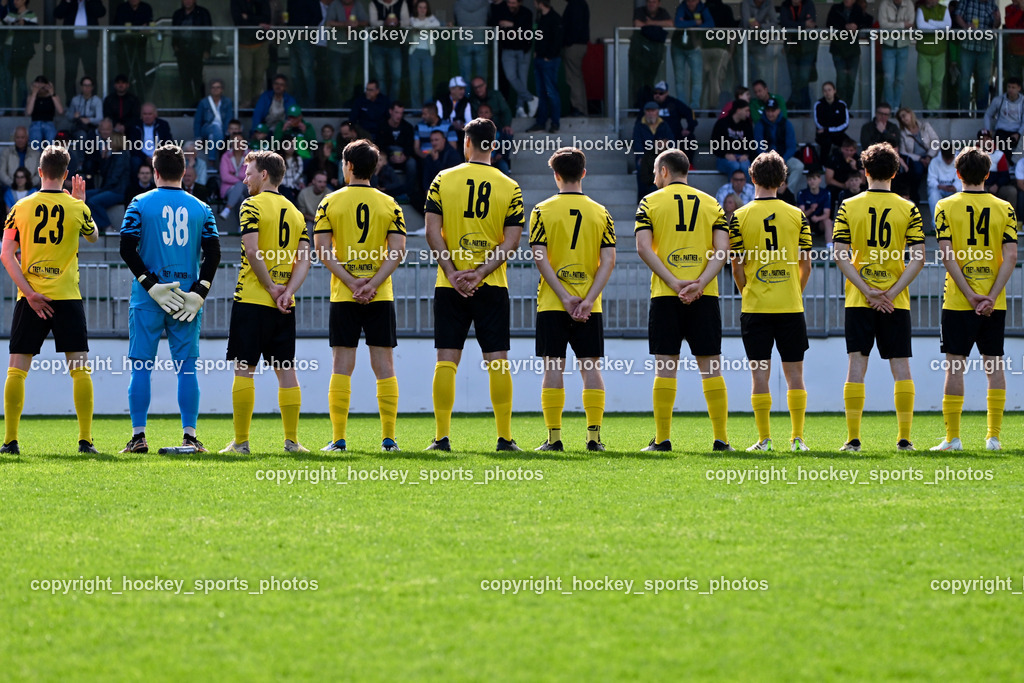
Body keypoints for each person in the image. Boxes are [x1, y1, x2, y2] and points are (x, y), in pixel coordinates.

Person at [423, 118, 525, 452]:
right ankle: (505, 438)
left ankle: (441, 438)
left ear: (466, 143)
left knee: (446, 360)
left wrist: (454, 273)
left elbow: (431, 232)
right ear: (493, 145)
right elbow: (511, 242)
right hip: (492, 283)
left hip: (449, 283)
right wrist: (480, 273)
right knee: (497, 360)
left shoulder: (442, 179)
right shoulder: (510, 186)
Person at [118, 145, 220, 454]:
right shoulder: (202, 208)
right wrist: (199, 293)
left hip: (148, 297)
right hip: (185, 298)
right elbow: (214, 253)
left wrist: (150, 285)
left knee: (141, 368)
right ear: (185, 172)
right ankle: (190, 437)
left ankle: (138, 438)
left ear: (156, 171)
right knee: (187, 368)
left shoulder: (139, 202)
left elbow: (126, 248)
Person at [1, 146, 98, 455]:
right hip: (67, 296)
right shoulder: (76, 207)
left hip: (30, 297)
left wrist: (29, 293)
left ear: (39, 172)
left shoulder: (20, 206)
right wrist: (82, 204)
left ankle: (10, 442)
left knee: (17, 370)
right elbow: (93, 236)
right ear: (66, 175)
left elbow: (6, 254)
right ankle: (85, 441)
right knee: (80, 370)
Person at [635, 148, 732, 452]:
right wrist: (701, 282)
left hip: (667, 294)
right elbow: (722, 251)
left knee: (665, 366)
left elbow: (643, 248)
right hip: (705, 295)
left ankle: (662, 439)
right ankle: (721, 439)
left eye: (655, 172)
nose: (654, 178)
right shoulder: (712, 203)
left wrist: (675, 282)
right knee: (712, 367)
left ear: (664, 170)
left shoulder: (649, 202)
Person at [313, 140, 406, 452]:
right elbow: (397, 252)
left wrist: (352, 283)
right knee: (385, 365)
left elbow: (322, 250)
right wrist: (373, 283)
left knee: (341, 365)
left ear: (349, 166)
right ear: (375, 167)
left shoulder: (329, 202)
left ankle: (339, 439)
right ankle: (389, 439)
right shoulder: (391, 204)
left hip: (344, 295)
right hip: (380, 295)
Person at [832, 142, 925, 452]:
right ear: (896, 172)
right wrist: (891, 293)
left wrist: (867, 290)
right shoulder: (908, 208)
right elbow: (919, 257)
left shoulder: (848, 205)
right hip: (895, 301)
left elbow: (840, 255)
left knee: (856, 366)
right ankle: (904, 439)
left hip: (860, 300)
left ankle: (853, 439)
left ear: (865, 170)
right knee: (901, 367)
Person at [219, 150, 311, 455]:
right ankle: (292, 442)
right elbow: (304, 259)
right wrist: (287, 291)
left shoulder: (251, 205)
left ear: (264, 175)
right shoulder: (296, 213)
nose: (244, 178)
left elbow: (252, 251)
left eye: (248, 173)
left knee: (244, 368)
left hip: (253, 298)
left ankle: (241, 443)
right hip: (285, 304)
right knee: (286, 369)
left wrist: (271, 287)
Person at [932, 146, 1017, 451]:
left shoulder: (944, 205)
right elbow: (1011, 256)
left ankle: (952, 438)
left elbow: (946, 254)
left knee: (955, 367)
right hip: (994, 303)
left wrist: (969, 294)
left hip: (958, 300)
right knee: (994, 365)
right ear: (987, 174)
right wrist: (991, 296)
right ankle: (993, 437)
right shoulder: (1005, 207)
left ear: (957, 174)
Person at [530, 147, 615, 451]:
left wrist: (565, 297)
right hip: (589, 305)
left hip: (553, 302)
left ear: (556, 175)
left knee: (553, 368)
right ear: (583, 174)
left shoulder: (540, 210)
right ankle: (594, 439)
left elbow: (540, 258)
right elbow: (608, 261)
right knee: (590, 368)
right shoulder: (601, 212)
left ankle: (554, 439)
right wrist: (588, 299)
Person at [729, 150, 813, 451]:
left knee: (759, 374)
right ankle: (798, 438)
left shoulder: (738, 217)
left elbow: (736, 266)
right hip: (790, 305)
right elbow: (807, 264)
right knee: (795, 375)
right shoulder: (797, 215)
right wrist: (794, 290)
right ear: (783, 179)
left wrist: (746, 290)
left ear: (752, 178)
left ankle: (764, 439)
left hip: (756, 307)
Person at [54, 0, 106, 103]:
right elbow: (57, 14)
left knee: (91, 73)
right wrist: (68, 1)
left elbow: (101, 12)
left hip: (89, 42)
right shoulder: (69, 2)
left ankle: (92, 102)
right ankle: (71, 103)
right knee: (70, 73)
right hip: (71, 43)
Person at [954, 0, 1000, 115]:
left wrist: (997, 19)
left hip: (985, 48)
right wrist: (965, 26)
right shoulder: (966, 1)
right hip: (967, 46)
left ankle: (981, 113)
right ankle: (964, 112)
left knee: (984, 81)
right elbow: (957, 15)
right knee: (964, 80)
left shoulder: (992, 4)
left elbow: (996, 25)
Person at [493, 0, 537, 118]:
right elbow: (495, 25)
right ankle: (531, 99)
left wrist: (512, 25)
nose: (510, 5)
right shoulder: (503, 11)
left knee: (522, 80)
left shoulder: (526, 12)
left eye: (513, 3)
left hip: (523, 50)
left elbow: (526, 30)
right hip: (508, 49)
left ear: (520, 3)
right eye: (509, 3)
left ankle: (520, 108)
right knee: (511, 76)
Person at [754, 98, 805, 193]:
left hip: (784, 158)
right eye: (768, 111)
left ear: (778, 111)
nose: (770, 114)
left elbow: (791, 146)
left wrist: (781, 160)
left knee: (798, 166)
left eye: (773, 111)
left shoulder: (786, 124)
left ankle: (788, 192)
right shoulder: (760, 125)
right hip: (766, 159)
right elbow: (759, 146)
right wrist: (768, 160)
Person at [325, 0, 369, 108]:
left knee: (351, 82)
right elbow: (328, 23)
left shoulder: (358, 5)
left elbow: (367, 22)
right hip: (335, 49)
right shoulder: (335, 4)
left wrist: (357, 23)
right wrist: (345, 24)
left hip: (353, 49)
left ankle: (347, 109)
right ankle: (337, 109)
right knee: (335, 81)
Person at [527, 0, 563, 134]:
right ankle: (541, 122)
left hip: (549, 60)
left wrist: (549, 55)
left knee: (551, 92)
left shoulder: (554, 18)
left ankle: (555, 122)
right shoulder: (541, 17)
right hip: (540, 59)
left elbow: (558, 40)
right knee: (541, 92)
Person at [827, 0, 872, 103]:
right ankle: (840, 107)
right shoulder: (836, 8)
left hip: (853, 50)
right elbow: (829, 23)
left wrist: (857, 27)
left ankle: (847, 108)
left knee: (851, 82)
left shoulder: (858, 9)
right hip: (838, 49)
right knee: (841, 81)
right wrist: (844, 27)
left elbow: (865, 23)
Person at [628, 0, 671, 107]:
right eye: (649, 2)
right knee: (637, 81)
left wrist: (651, 23)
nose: (651, 4)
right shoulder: (640, 11)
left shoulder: (663, 12)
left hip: (655, 53)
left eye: (654, 2)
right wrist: (658, 25)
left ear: (659, 3)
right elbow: (637, 24)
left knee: (651, 80)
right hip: (639, 53)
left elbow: (670, 23)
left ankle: (650, 104)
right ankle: (637, 106)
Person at [671, 0, 712, 112]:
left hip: (694, 47)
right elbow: (678, 24)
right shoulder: (681, 7)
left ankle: (695, 108)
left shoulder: (703, 8)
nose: (690, 3)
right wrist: (695, 22)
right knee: (680, 79)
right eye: (688, 0)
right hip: (678, 46)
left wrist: (687, 23)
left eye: (693, 0)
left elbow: (710, 24)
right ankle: (681, 107)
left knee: (697, 79)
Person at [171, 0, 213, 106]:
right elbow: (174, 32)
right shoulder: (178, 14)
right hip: (182, 52)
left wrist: (207, 50)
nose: (187, 2)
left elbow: (208, 32)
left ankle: (201, 107)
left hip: (197, 52)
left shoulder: (202, 13)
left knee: (198, 80)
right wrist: (175, 46)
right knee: (185, 81)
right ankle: (187, 108)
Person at [86, 133, 131, 232]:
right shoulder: (113, 156)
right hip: (109, 188)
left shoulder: (122, 156)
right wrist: (104, 157)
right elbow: (103, 172)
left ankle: (107, 226)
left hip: (118, 191)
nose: (108, 144)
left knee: (93, 201)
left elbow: (114, 178)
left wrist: (103, 190)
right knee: (84, 195)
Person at [1, 0, 40, 111]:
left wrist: (25, 24)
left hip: (21, 52)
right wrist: (3, 7)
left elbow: (35, 34)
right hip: (7, 49)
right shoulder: (11, 14)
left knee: (21, 80)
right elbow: (3, 23)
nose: (15, 1)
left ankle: (21, 109)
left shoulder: (30, 15)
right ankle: (7, 109)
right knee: (7, 80)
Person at [231, 0, 271, 109]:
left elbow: (266, 19)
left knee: (259, 75)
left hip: (261, 43)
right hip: (244, 44)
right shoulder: (236, 2)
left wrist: (248, 17)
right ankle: (246, 101)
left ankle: (257, 101)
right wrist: (258, 23)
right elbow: (238, 20)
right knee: (246, 76)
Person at [779, 0, 817, 110]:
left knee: (804, 77)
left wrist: (796, 25)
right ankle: (799, 106)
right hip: (791, 46)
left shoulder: (808, 4)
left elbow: (811, 23)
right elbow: (784, 23)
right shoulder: (785, 5)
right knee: (794, 78)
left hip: (807, 47)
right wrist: (803, 24)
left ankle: (800, 105)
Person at [368, 0, 409, 101]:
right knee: (380, 77)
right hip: (378, 44)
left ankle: (393, 105)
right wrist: (384, 23)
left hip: (395, 45)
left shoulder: (401, 3)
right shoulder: (374, 3)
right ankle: (383, 105)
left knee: (396, 77)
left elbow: (407, 22)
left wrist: (398, 22)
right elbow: (372, 22)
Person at [897, 107, 939, 204]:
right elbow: (903, 151)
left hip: (930, 156)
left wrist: (929, 156)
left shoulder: (925, 126)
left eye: (904, 115)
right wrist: (920, 158)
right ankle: (914, 195)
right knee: (917, 170)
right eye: (900, 118)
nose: (903, 119)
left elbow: (936, 141)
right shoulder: (903, 133)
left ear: (910, 114)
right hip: (916, 159)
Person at [112, 0, 154, 99]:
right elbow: (116, 26)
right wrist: (137, 29)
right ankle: (123, 101)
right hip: (124, 48)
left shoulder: (146, 8)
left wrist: (142, 30)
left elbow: (148, 26)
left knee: (139, 74)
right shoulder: (122, 8)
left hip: (140, 47)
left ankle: (140, 101)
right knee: (124, 75)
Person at [633, 101, 673, 202]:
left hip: (662, 156)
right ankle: (642, 198)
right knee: (641, 167)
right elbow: (636, 143)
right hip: (646, 157)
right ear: (645, 112)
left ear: (657, 112)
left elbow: (671, 142)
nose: (650, 113)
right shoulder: (639, 126)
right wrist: (641, 156)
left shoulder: (664, 125)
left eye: (653, 111)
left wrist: (665, 146)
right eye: (648, 111)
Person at [878, 0, 914, 110]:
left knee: (900, 79)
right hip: (888, 45)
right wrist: (902, 24)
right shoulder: (884, 4)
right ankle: (889, 107)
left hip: (903, 45)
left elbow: (911, 24)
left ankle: (896, 107)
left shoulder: (909, 4)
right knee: (889, 79)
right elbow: (883, 24)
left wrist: (893, 25)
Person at [916, 0, 951, 112]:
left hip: (940, 51)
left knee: (938, 81)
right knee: (923, 82)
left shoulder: (944, 9)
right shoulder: (921, 9)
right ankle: (927, 107)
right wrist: (938, 27)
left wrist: (930, 22)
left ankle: (932, 109)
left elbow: (947, 26)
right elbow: (921, 26)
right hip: (924, 51)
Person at [408, 0, 440, 112]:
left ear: (427, 9)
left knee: (427, 82)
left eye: (424, 7)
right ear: (416, 8)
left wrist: (422, 26)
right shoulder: (412, 19)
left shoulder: (431, 18)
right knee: (414, 82)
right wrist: (426, 26)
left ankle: (428, 110)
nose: (422, 10)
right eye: (420, 7)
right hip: (415, 52)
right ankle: (416, 109)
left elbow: (437, 24)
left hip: (428, 53)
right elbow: (414, 25)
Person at [454, 0, 491, 94]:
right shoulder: (485, 3)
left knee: (465, 76)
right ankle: (481, 101)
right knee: (481, 75)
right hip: (480, 39)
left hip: (464, 41)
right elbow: (489, 18)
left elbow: (456, 20)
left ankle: (467, 102)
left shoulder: (457, 3)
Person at [710, 99, 753, 178]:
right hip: (723, 158)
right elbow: (714, 144)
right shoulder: (722, 123)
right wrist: (725, 154)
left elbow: (751, 144)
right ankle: (734, 190)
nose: (748, 113)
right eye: (746, 110)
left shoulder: (747, 125)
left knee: (745, 166)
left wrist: (746, 155)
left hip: (741, 158)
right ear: (738, 110)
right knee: (734, 166)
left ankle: (746, 190)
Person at [741, 0, 780, 86]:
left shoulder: (768, 3)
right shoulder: (746, 3)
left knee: (761, 73)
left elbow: (775, 23)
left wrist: (761, 26)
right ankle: (743, 97)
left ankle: (758, 97)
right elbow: (745, 22)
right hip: (744, 42)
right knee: (742, 73)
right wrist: (752, 25)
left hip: (759, 42)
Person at [194, 79, 233, 163]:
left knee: (212, 137)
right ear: (210, 89)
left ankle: (212, 161)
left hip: (222, 129)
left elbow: (229, 118)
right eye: (213, 87)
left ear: (222, 89)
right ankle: (220, 146)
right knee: (215, 128)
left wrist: (227, 132)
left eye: (218, 87)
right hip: (207, 127)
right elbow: (198, 121)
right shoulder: (203, 102)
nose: (215, 89)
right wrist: (198, 138)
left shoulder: (227, 102)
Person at [562, 0, 590, 117]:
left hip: (574, 45)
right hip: (579, 44)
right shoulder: (581, 4)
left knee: (573, 78)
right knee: (577, 76)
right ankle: (582, 108)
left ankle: (578, 108)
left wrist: (567, 42)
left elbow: (574, 27)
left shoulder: (575, 4)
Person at [128, 103, 173, 174]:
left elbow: (168, 143)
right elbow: (133, 147)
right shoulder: (135, 126)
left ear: (155, 115)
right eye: (145, 114)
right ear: (141, 115)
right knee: (135, 161)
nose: (147, 117)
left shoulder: (163, 125)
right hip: (141, 157)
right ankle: (136, 185)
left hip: (159, 156)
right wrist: (146, 158)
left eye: (150, 114)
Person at [984, 78, 1024, 151]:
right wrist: (988, 130)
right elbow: (988, 114)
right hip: (1002, 130)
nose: (1010, 90)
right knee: (1000, 144)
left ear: (1019, 88)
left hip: (1017, 131)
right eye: (1008, 87)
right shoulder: (998, 100)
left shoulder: (1023, 101)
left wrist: (1019, 133)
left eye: (1013, 87)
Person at [814, 82, 850, 163]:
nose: (827, 93)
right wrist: (827, 130)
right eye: (825, 91)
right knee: (826, 142)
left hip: (838, 133)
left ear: (834, 91)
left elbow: (845, 123)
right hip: (823, 134)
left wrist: (828, 129)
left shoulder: (841, 105)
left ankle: (848, 163)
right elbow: (818, 122)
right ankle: (823, 165)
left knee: (849, 143)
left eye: (829, 90)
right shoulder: (818, 104)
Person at [825, 136, 864, 208]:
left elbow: (863, 181)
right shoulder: (834, 158)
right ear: (842, 149)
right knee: (829, 191)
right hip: (838, 185)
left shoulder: (859, 160)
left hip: (854, 186)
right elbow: (828, 179)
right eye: (847, 150)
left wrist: (855, 168)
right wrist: (843, 185)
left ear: (855, 150)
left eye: (851, 150)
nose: (849, 153)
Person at [797, 168, 834, 243]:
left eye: (814, 179)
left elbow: (827, 214)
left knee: (828, 221)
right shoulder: (802, 193)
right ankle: (804, 246)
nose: (812, 181)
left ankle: (829, 247)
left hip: (820, 223)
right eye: (810, 179)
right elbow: (801, 214)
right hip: (808, 222)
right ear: (807, 181)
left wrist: (818, 218)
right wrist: (811, 210)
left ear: (820, 180)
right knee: (803, 221)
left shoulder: (826, 193)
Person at [25, 76, 63, 145]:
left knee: (51, 139)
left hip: (49, 123)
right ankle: (36, 155)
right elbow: (28, 112)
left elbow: (60, 111)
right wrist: (34, 93)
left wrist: (52, 93)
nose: (41, 89)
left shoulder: (54, 96)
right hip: (35, 124)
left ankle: (50, 155)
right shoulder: (31, 97)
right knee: (35, 139)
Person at [219, 133, 250, 218]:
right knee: (240, 197)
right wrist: (240, 179)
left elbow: (251, 175)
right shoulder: (226, 156)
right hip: (229, 187)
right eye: (235, 141)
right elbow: (225, 177)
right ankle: (241, 226)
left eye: (240, 141)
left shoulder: (251, 155)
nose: (237, 143)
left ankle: (227, 209)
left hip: (248, 187)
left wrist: (235, 176)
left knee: (240, 185)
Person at [929, 149, 962, 219]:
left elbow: (961, 179)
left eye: (950, 159)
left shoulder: (959, 161)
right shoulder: (934, 161)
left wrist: (955, 187)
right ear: (942, 156)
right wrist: (939, 186)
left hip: (954, 190)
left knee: (961, 194)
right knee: (933, 194)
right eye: (946, 159)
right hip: (939, 189)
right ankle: (935, 223)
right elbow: (931, 179)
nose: (948, 161)